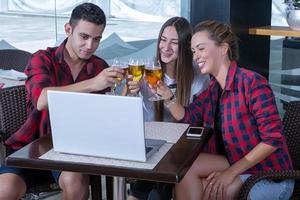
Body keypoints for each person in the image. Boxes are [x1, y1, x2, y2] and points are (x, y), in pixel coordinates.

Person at [0, 3, 139, 200]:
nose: (90, 45)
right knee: (4, 189)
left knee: (76, 185)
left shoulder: (99, 66)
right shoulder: (42, 59)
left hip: (74, 152)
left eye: (96, 39)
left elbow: (109, 115)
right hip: (32, 148)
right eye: (84, 37)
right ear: (68, 29)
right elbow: (42, 99)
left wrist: (127, 92)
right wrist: (93, 83)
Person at [156, 20, 294, 200]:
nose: (196, 56)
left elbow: (272, 140)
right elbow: (188, 117)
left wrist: (230, 173)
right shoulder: (213, 89)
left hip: (269, 173)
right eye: (193, 51)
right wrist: (168, 97)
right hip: (235, 159)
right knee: (182, 169)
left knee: (203, 191)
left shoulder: (252, 83)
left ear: (223, 49)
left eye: (201, 48)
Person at [128, 17, 210, 200]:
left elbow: (197, 120)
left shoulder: (198, 76)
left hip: (180, 146)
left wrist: (170, 99)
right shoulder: (147, 69)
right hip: (149, 143)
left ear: (186, 47)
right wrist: (130, 91)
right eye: (163, 40)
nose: (166, 48)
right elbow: (127, 112)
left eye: (174, 43)